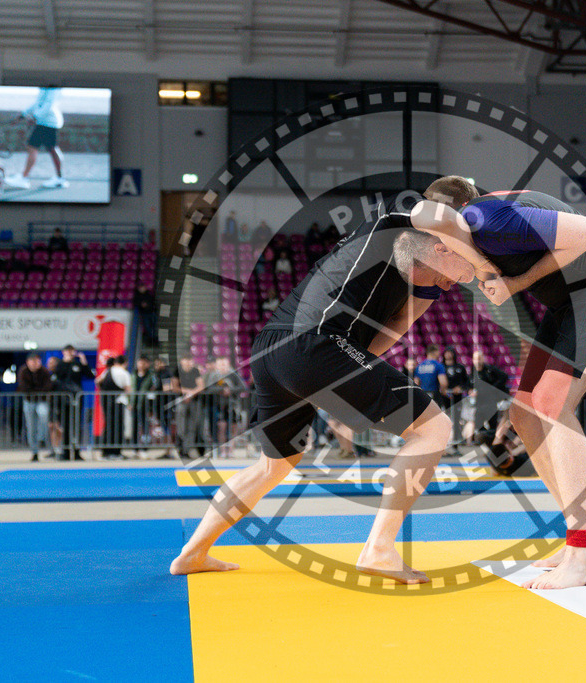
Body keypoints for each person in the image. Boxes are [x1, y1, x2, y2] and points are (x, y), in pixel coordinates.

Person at [172, 209, 475, 585]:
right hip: (312, 343)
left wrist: (351, 374)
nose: (451, 285)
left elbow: (397, 327)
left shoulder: (420, 284)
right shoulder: (391, 229)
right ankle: (379, 549)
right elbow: (431, 207)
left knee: (275, 465)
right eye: (455, 272)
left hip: (275, 348)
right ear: (441, 244)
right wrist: (475, 217)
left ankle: (193, 553)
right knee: (433, 429)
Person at [412, 176, 586, 589]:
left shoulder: (487, 218)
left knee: (554, 405)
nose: (442, 248)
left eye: (443, 238)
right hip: (569, 302)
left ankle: (582, 550)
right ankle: (585, 536)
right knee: (523, 414)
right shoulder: (478, 228)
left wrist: (514, 283)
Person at [4, 86, 69, 190]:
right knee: (50, 149)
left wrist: (35, 117)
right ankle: (60, 179)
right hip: (46, 122)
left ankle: (24, 178)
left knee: (34, 147)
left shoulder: (52, 88)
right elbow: (38, 104)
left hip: (47, 122)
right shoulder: (46, 87)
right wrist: (22, 116)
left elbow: (48, 105)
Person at [53, 344, 94, 460]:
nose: (70, 353)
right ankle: (65, 452)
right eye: (68, 351)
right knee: (65, 425)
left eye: (72, 351)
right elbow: (57, 379)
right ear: (64, 352)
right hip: (64, 399)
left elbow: (90, 375)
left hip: (76, 399)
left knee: (76, 425)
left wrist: (84, 361)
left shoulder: (78, 364)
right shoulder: (60, 365)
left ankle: (76, 452)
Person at [18, 353, 53, 462]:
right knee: (31, 427)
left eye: (36, 361)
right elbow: (23, 387)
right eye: (32, 361)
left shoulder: (45, 372)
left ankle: (41, 437)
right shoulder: (23, 372)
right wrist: (35, 392)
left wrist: (36, 392)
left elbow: (47, 387)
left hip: (41, 401)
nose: (34, 363)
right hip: (29, 402)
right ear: (28, 362)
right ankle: (34, 452)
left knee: (43, 416)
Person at [467, 349, 509, 437]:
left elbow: (504, 377)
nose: (477, 361)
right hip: (479, 402)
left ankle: (492, 440)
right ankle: (485, 438)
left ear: (483, 359)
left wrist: (493, 388)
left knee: (492, 423)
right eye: (476, 359)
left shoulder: (490, 369)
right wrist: (469, 390)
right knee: (479, 423)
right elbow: (468, 385)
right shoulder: (472, 372)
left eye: (479, 358)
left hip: (491, 401)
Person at [96, 355, 130, 460]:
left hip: (107, 402)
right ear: (125, 363)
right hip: (119, 402)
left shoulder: (108, 371)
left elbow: (97, 381)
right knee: (119, 427)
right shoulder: (124, 373)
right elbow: (128, 389)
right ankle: (116, 452)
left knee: (108, 426)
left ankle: (106, 452)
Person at [172, 355, 205, 459]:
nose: (188, 362)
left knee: (192, 426)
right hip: (181, 401)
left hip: (194, 401)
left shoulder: (195, 371)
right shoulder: (177, 371)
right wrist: (186, 392)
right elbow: (175, 387)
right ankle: (180, 448)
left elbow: (201, 386)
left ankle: (187, 449)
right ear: (182, 361)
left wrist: (192, 393)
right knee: (181, 426)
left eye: (190, 360)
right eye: (186, 360)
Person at [443, 347, 470, 448]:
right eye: (447, 353)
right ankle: (446, 440)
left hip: (457, 396)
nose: (448, 355)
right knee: (446, 418)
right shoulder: (441, 367)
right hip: (444, 396)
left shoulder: (460, 367)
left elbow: (466, 381)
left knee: (456, 417)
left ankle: (457, 439)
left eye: (450, 353)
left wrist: (461, 388)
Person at [132, 355, 161, 449]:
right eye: (140, 362)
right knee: (135, 424)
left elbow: (155, 385)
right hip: (135, 403)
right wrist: (130, 402)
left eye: (143, 363)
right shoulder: (134, 375)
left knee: (145, 425)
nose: (141, 365)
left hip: (146, 404)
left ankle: (145, 445)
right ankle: (135, 446)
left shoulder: (151, 375)